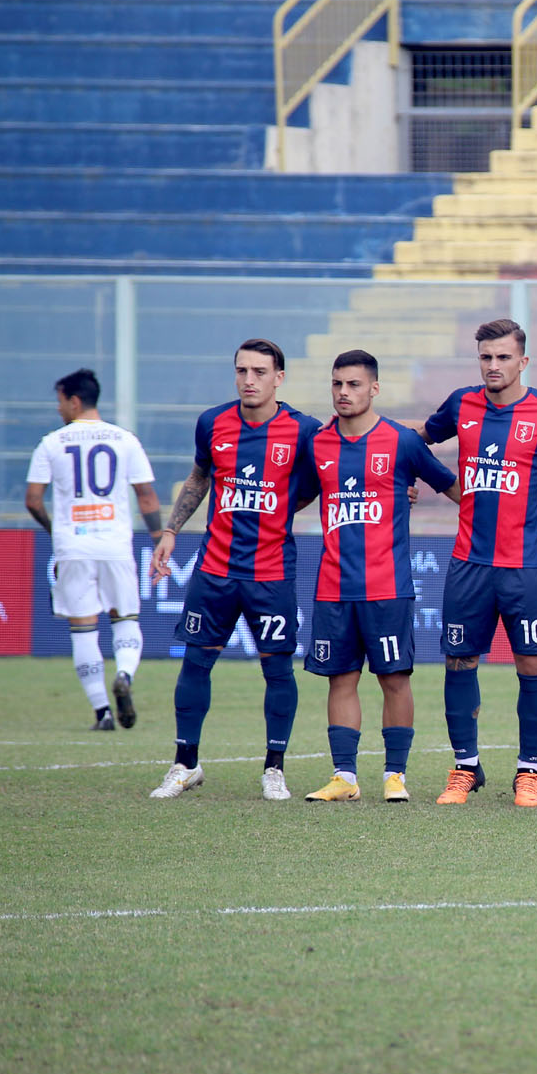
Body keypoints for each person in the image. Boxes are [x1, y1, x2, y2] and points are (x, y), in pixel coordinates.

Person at [418, 319, 537, 807]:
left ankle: (529, 772)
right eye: (486, 357)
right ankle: (465, 768)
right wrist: (409, 475)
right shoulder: (461, 404)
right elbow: (416, 441)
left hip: (524, 565)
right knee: (460, 661)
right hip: (469, 562)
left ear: (523, 361)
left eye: (503, 357)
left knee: (533, 662)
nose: (493, 365)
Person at [145, 339, 321, 800]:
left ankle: (274, 769)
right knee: (196, 662)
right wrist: (170, 530)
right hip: (215, 569)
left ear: (279, 378)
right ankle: (185, 763)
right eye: (242, 370)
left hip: (271, 571)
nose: (249, 380)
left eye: (259, 372)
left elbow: (325, 480)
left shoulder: (304, 430)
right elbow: (200, 477)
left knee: (278, 670)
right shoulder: (212, 422)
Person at [301, 350, 459, 802]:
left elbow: (451, 486)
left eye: (353, 384)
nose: (343, 392)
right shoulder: (318, 443)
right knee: (340, 679)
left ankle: (395, 776)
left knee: (394, 679)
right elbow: (299, 494)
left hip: (388, 586)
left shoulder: (401, 442)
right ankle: (344, 778)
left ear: (374, 388)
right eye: (337, 384)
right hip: (333, 587)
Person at [25, 368, 161, 733]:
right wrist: (159, 539)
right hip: (115, 544)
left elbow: (33, 500)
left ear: (74, 401)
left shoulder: (51, 443)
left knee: (83, 629)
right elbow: (146, 495)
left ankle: (102, 712)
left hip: (73, 546)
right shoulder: (125, 440)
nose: (58, 409)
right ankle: (124, 675)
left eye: (59, 402)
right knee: (125, 619)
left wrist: (57, 531)